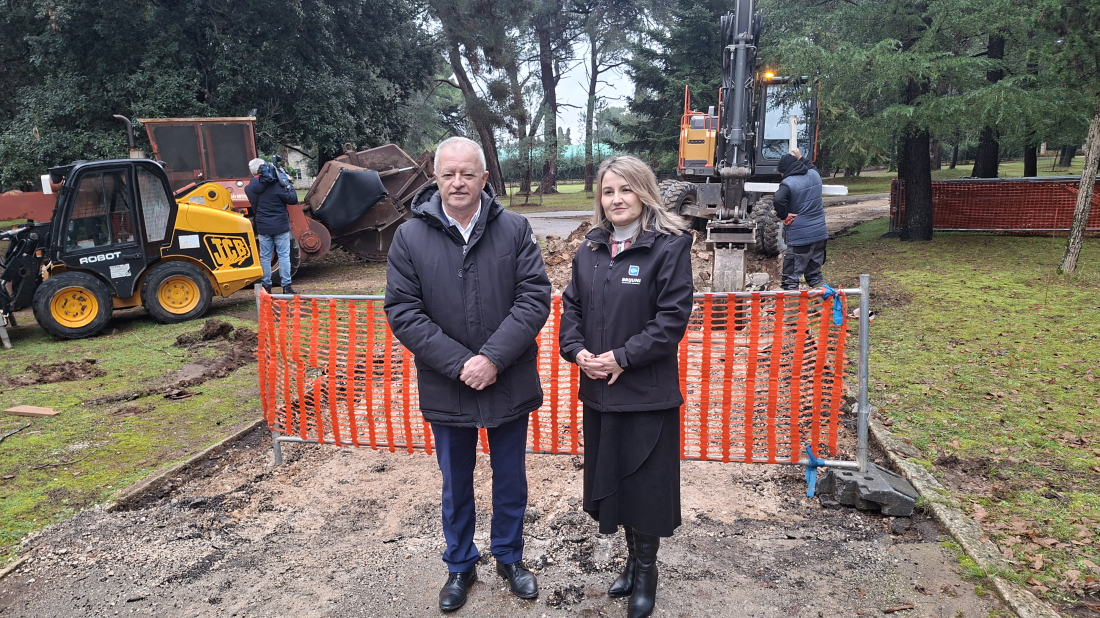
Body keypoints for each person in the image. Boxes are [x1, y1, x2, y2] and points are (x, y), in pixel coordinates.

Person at [384, 136, 551, 612]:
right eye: (448, 174)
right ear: (435, 178)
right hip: (446, 382)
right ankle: (459, 564)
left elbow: (534, 298)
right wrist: (461, 364)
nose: (458, 183)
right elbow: (403, 310)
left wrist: (493, 358)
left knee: (510, 477)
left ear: (484, 178)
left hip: (508, 377)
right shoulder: (409, 237)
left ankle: (510, 557)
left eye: (468, 174)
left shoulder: (514, 229)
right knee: (455, 482)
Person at [558, 155, 694, 618]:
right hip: (599, 392)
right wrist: (578, 353)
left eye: (625, 190)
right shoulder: (590, 250)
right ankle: (631, 563)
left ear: (644, 192)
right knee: (615, 479)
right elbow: (570, 311)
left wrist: (622, 357)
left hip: (647, 393)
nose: (616, 199)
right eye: (608, 191)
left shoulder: (669, 248)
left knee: (646, 486)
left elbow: (671, 320)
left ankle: (647, 573)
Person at [773, 148, 828, 290]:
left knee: (790, 280)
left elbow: (778, 199)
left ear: (785, 171)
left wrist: (784, 216)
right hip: (820, 236)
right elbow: (811, 166)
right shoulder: (815, 175)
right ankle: (825, 310)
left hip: (800, 239)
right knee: (814, 275)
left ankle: (792, 312)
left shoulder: (788, 183)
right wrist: (800, 157)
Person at [244, 157, 298, 295]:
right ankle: (286, 287)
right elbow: (292, 199)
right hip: (280, 226)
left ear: (252, 173)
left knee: (265, 257)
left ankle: (266, 287)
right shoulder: (276, 185)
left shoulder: (249, 188)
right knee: (284, 256)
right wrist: (288, 182)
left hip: (263, 226)